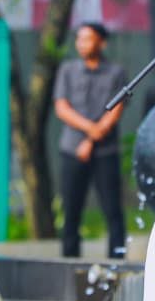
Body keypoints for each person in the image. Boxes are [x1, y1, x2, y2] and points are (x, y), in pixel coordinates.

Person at [53, 22, 129, 258]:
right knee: (71, 209)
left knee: (113, 209)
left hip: (105, 151)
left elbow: (116, 109)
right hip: (72, 149)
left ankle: (117, 259)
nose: (82, 43)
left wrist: (93, 138)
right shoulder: (68, 70)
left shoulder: (115, 72)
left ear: (101, 42)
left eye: (88, 38)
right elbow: (62, 107)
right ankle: (69, 260)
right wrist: (89, 131)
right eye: (80, 38)